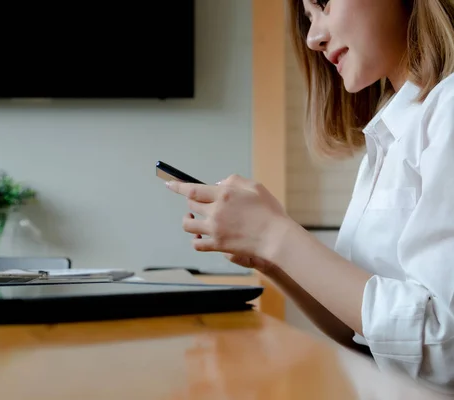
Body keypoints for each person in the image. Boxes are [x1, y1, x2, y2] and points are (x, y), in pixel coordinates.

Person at [165, 0, 454, 394]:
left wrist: (276, 234)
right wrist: (272, 257)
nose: (313, 38)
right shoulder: (389, 135)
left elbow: (442, 346)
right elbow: (365, 335)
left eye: (324, 4)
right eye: (308, 18)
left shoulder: (448, 109)